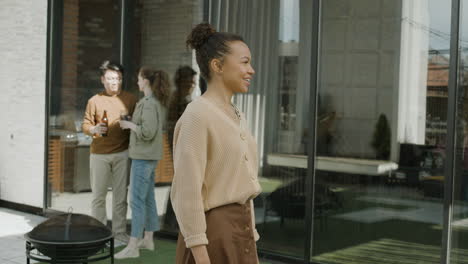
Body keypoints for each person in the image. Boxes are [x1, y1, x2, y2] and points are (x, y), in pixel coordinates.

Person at [170, 23, 262, 264]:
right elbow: (187, 193)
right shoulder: (197, 115)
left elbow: (244, 182)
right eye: (244, 62)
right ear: (217, 66)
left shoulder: (237, 114)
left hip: (240, 234)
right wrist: (201, 256)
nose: (251, 70)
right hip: (212, 238)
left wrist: (250, 236)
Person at [114, 67, 170, 259]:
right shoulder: (154, 102)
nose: (137, 82)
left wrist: (129, 125)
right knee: (147, 199)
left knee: (136, 200)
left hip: (143, 158)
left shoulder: (148, 103)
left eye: (139, 79)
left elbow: (147, 132)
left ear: (145, 81)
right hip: (149, 157)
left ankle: (133, 246)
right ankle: (148, 239)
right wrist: (133, 123)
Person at [82, 60, 137, 244]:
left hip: (122, 153)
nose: (115, 82)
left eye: (118, 78)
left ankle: (119, 233)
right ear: (102, 80)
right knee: (98, 197)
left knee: (120, 197)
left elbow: (137, 123)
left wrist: (131, 125)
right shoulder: (94, 101)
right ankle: (99, 234)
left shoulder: (130, 99)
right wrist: (93, 129)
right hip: (99, 154)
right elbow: (85, 124)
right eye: (111, 78)